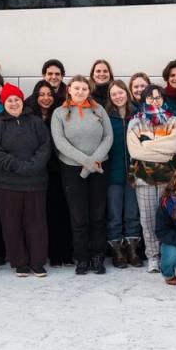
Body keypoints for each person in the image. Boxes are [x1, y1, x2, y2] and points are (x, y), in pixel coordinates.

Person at [0, 83, 53, 277]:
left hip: (35, 182)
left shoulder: (36, 121)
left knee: (36, 223)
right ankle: (19, 262)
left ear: (23, 101)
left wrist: (32, 166)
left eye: (17, 99)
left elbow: (45, 146)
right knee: (11, 223)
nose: (14, 103)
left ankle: (37, 262)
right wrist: (16, 165)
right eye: (9, 100)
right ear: (4, 103)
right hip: (6, 184)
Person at [51, 75, 113, 275]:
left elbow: (108, 136)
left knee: (97, 214)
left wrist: (95, 159)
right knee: (79, 216)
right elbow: (60, 143)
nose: (80, 92)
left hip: (99, 168)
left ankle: (97, 257)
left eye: (84, 89)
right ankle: (82, 258)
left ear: (89, 90)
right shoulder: (59, 113)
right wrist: (87, 163)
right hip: (72, 169)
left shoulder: (98, 110)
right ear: (69, 89)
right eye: (76, 88)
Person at [127, 84, 176, 273]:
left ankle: (169, 254)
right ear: (144, 100)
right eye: (150, 98)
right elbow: (135, 151)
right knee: (148, 219)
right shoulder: (135, 122)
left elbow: (173, 147)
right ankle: (153, 256)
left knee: (169, 218)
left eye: (158, 97)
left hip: (169, 179)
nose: (155, 101)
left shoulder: (173, 120)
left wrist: (148, 146)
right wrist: (161, 150)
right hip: (144, 179)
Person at [25, 80, 73, 267]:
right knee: (44, 214)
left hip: (61, 169)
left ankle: (66, 253)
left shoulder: (61, 114)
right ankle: (51, 253)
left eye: (49, 95)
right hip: (38, 171)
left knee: (64, 211)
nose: (46, 98)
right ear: (36, 97)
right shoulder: (29, 116)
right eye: (41, 94)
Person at [104, 80, 143, 268]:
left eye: (121, 93)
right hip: (112, 174)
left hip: (134, 174)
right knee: (114, 214)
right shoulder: (105, 116)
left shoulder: (137, 115)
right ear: (110, 97)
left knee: (132, 213)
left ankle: (133, 250)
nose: (118, 96)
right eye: (114, 94)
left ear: (126, 93)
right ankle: (117, 252)